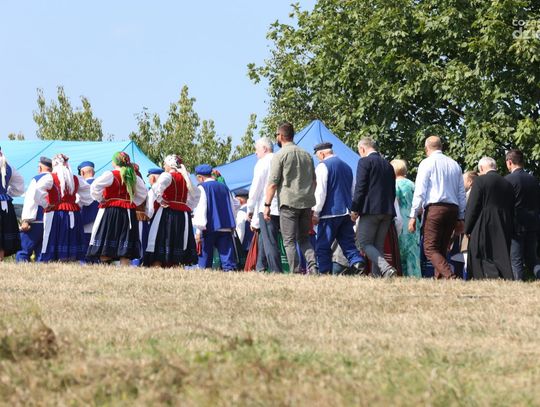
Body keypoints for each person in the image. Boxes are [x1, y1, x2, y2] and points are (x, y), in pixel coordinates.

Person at [408, 136, 466, 279]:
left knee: (429, 248)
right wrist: (461, 217)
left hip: (435, 209)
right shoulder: (454, 165)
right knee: (442, 247)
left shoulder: (426, 163)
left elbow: (420, 191)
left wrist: (413, 215)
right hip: (452, 209)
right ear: (441, 147)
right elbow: (461, 193)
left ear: (426, 148)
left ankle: (450, 276)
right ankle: (438, 279)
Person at [264, 122, 318, 274]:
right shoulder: (307, 155)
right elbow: (314, 181)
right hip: (306, 204)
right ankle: (313, 267)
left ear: (281, 136)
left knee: (289, 241)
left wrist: (267, 205)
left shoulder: (280, 155)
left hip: (288, 204)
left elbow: (272, 184)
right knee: (304, 239)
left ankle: (295, 271)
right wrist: (308, 196)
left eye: (276, 135)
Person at [312, 142, 365, 274]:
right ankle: (358, 264)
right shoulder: (347, 167)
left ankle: (324, 272)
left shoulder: (323, 166)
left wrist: (316, 212)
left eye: (318, 156)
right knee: (348, 244)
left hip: (329, 213)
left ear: (322, 154)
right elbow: (353, 190)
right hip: (346, 213)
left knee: (323, 246)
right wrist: (354, 210)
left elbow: (320, 192)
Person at [87, 152, 147, 265]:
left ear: (114, 162)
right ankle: (124, 268)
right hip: (128, 212)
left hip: (111, 211)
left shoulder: (111, 174)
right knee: (125, 242)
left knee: (108, 238)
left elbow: (95, 186)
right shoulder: (133, 176)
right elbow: (143, 193)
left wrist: (101, 199)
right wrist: (131, 202)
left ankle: (106, 266)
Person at [33, 154, 93, 262]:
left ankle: (50, 258)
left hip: (55, 213)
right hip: (73, 212)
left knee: (51, 236)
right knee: (69, 237)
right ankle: (67, 258)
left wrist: (45, 204)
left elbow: (37, 191)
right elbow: (89, 194)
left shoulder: (51, 177)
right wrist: (77, 203)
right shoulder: (75, 178)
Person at [351, 137, 397, 278]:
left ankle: (386, 268)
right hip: (387, 210)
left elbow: (360, 187)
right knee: (378, 246)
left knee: (364, 243)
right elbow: (392, 190)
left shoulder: (364, 162)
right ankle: (377, 277)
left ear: (362, 148)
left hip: (370, 210)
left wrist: (355, 208)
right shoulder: (388, 165)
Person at [465, 157, 514, 280]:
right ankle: (504, 277)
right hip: (503, 222)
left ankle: (484, 277)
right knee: (501, 253)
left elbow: (473, 206)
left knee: (480, 252)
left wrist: (467, 228)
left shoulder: (480, 181)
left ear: (481, 168)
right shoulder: (507, 183)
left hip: (484, 221)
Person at [144, 155, 198, 267]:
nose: (164, 166)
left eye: (165, 164)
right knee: (178, 240)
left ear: (170, 164)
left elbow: (156, 189)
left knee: (161, 239)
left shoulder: (168, 176)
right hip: (182, 215)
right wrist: (187, 206)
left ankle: (157, 266)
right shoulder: (186, 177)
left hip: (168, 213)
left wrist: (160, 200)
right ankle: (175, 266)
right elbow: (196, 195)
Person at [193, 164, 240, 271]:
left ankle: (205, 275)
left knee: (205, 260)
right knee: (227, 258)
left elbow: (201, 208)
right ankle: (230, 273)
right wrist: (232, 223)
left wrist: (198, 231)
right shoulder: (224, 187)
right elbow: (234, 205)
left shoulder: (202, 187)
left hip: (209, 227)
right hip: (225, 227)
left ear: (200, 177)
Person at [247, 137, 282, 272]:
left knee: (270, 242)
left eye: (257, 150)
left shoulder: (262, 163)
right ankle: (260, 267)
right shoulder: (280, 158)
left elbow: (256, 188)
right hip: (282, 206)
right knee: (265, 237)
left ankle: (275, 271)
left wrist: (250, 208)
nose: (255, 153)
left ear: (265, 149)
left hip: (267, 206)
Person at [505, 149, 540, 280]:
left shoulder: (508, 180)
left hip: (516, 225)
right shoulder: (534, 179)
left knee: (516, 259)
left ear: (509, 162)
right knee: (533, 259)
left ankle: (518, 284)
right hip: (533, 224)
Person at [17, 156, 52, 262]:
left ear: (40, 168)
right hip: (50, 220)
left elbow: (30, 200)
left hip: (35, 220)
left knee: (23, 251)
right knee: (42, 253)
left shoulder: (37, 179)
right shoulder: (56, 179)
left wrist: (26, 220)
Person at [390, 159, 421, 278]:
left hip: (401, 220)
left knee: (400, 251)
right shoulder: (412, 184)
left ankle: (401, 276)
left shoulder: (394, 184)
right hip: (413, 220)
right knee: (413, 253)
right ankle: (415, 276)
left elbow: (395, 202)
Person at [0, 148, 25, 260]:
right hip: (5, 204)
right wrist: (6, 193)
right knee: (3, 234)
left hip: (4, 203)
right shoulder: (8, 167)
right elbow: (19, 186)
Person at [77, 161, 99, 260]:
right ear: (93, 172)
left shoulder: (82, 186)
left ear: (82, 173)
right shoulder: (102, 185)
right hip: (100, 222)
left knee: (85, 252)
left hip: (85, 222)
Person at [234, 188, 254, 253]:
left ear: (240, 201)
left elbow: (240, 232)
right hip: (257, 246)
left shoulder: (241, 212)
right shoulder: (254, 210)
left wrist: (237, 248)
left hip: (246, 248)